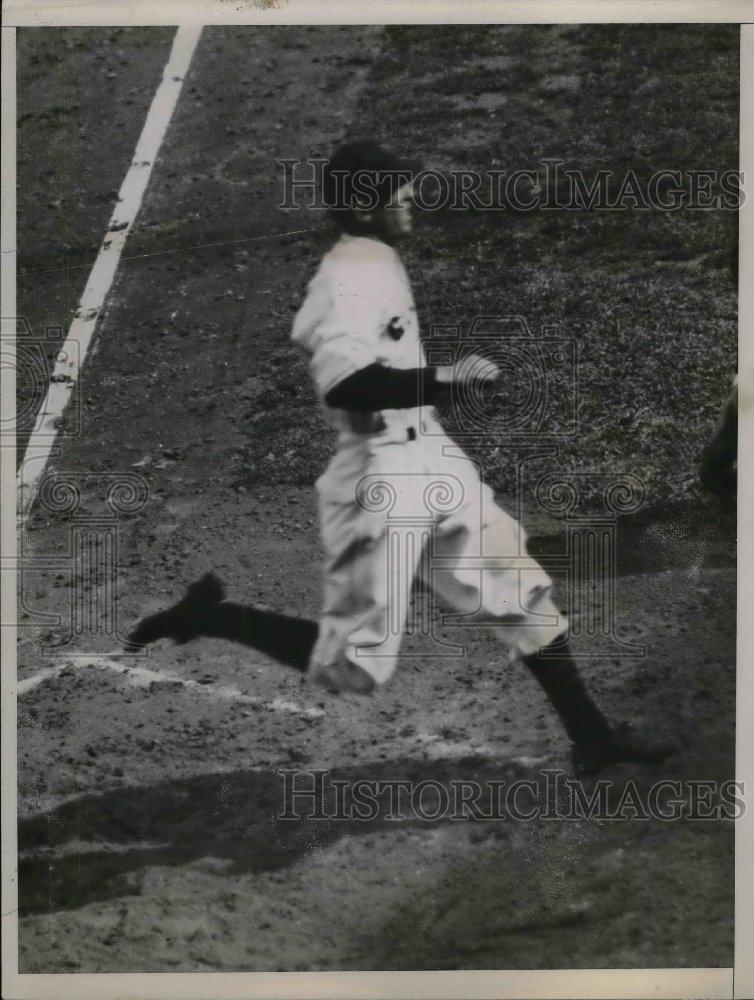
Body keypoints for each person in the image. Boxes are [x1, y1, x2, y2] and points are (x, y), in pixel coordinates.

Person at [128, 140, 674, 770]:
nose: (411, 195)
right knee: (357, 668)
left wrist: (434, 394)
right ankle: (214, 617)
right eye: (397, 188)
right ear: (363, 208)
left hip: (431, 456)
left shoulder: (377, 259)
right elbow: (347, 383)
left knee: (520, 593)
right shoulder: (348, 281)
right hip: (378, 479)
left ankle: (594, 742)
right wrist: (445, 379)